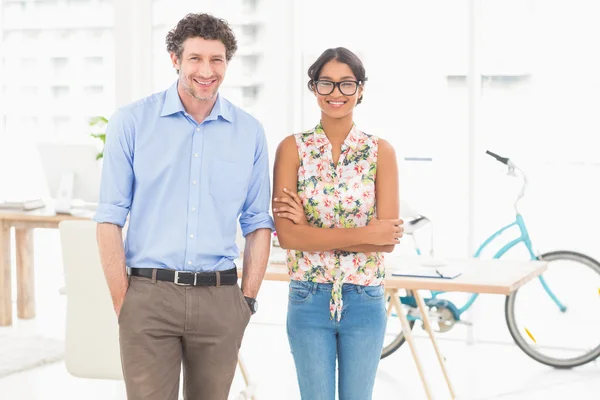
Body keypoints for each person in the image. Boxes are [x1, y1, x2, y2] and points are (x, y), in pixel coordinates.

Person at [94, 13, 274, 400]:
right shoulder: (132, 122)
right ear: (175, 60)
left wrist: (246, 301)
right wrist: (124, 302)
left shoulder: (249, 132)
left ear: (227, 63)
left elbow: (258, 221)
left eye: (217, 60)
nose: (206, 71)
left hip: (221, 299)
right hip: (148, 297)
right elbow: (109, 217)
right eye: (195, 58)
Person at [272, 47, 403, 400]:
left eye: (346, 84)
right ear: (313, 88)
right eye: (326, 83)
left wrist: (311, 233)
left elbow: (387, 241)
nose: (335, 94)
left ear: (361, 90)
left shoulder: (380, 152)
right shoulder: (292, 149)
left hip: (365, 297)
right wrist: (366, 234)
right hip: (308, 296)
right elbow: (287, 235)